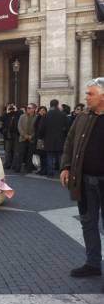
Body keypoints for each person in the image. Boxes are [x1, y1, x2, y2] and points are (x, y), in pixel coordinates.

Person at [60, 78, 104, 284]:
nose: (86, 97)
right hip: (85, 181)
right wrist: (66, 166)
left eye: (90, 94)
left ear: (103, 96)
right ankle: (93, 263)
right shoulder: (82, 117)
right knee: (88, 222)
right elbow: (69, 141)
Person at [39, 99, 69, 178]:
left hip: (48, 139)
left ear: (50, 105)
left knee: (50, 156)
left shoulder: (46, 115)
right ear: (57, 105)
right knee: (60, 156)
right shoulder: (63, 115)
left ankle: (50, 173)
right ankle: (61, 172)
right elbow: (67, 127)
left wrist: (41, 137)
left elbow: (41, 128)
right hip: (60, 139)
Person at [12, 103, 37, 174]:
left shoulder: (36, 117)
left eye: (30, 108)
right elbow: (19, 127)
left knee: (30, 154)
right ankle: (18, 168)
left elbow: (37, 129)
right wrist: (24, 135)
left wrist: (31, 136)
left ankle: (28, 168)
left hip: (31, 139)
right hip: (23, 138)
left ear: (34, 109)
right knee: (20, 154)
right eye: (27, 108)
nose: (28, 109)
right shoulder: (22, 116)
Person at [0, 104, 20, 170]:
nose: (11, 110)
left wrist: (16, 110)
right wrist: (6, 111)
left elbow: (20, 116)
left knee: (16, 151)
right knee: (7, 151)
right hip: (8, 135)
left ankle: (14, 165)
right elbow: (1, 122)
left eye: (13, 108)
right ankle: (7, 164)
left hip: (16, 135)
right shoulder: (5, 115)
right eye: (10, 109)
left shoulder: (18, 115)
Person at [34, 106, 48, 175]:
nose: (42, 112)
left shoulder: (46, 118)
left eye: (43, 110)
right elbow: (35, 126)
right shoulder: (38, 118)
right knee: (40, 155)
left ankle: (44, 169)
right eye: (41, 110)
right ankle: (41, 169)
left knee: (44, 155)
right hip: (38, 139)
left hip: (44, 139)